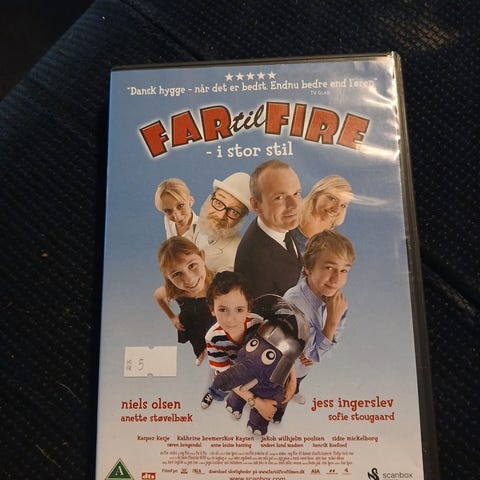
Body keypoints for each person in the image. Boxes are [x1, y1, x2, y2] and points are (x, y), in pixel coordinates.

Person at [201, 272, 297, 427]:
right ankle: (213, 393)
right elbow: (226, 373)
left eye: (239, 309)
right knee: (220, 384)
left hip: (255, 369)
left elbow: (281, 350)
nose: (231, 319)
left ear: (248, 308)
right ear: (212, 309)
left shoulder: (258, 323)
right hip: (231, 371)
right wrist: (257, 403)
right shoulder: (212, 338)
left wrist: (293, 380)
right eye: (222, 309)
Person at [284, 230, 355, 404]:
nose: (336, 279)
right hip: (284, 367)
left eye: (344, 270)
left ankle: (295, 390)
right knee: (281, 392)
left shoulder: (337, 302)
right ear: (307, 267)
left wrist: (316, 353)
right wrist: (331, 321)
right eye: (329, 268)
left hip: (303, 368)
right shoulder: (294, 302)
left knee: (300, 378)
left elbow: (329, 343)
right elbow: (312, 352)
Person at [234, 160, 303, 298]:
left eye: (296, 193)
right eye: (279, 197)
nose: (294, 205)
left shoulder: (279, 223)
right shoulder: (254, 264)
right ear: (256, 205)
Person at [154, 237, 215, 365]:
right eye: (176, 274)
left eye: (192, 265)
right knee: (197, 340)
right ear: (168, 277)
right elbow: (157, 296)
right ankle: (200, 353)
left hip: (212, 319)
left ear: (202, 257)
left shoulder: (218, 284)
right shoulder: (175, 291)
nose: (189, 279)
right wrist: (172, 317)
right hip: (192, 322)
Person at [194, 172, 251, 273]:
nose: (221, 216)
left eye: (233, 212)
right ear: (210, 199)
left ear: (240, 219)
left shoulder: (233, 259)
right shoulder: (200, 224)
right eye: (219, 203)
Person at [291, 175, 353, 254]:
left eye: (343, 205)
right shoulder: (290, 217)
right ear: (317, 194)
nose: (336, 209)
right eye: (332, 199)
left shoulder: (332, 234)